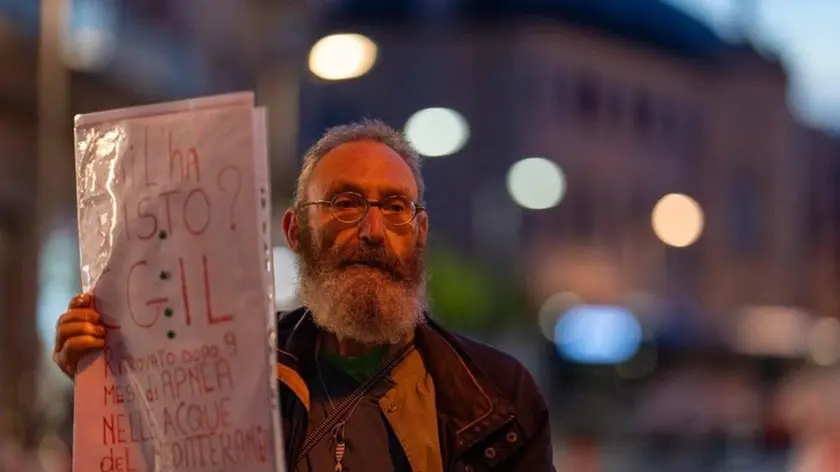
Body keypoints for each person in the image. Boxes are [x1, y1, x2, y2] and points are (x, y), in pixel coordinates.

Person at [53, 119, 556, 471]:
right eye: (345, 202)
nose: (373, 230)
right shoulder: (230, 375)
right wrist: (104, 379)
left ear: (420, 232)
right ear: (295, 231)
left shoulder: (498, 397)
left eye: (396, 207)